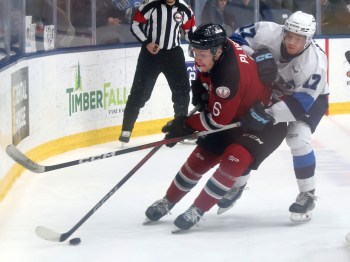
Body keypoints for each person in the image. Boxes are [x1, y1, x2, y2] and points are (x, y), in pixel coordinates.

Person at [143, 24, 287, 231]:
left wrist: (184, 126)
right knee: (199, 158)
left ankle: (198, 209)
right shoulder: (221, 49)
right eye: (195, 52)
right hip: (237, 114)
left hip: (265, 121)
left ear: (217, 51)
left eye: (201, 54)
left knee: (234, 158)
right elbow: (211, 88)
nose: (197, 58)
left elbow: (216, 121)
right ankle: (168, 201)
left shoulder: (228, 75)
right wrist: (201, 89)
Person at [220, 11, 329, 222]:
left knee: (298, 138)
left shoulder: (315, 64)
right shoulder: (267, 31)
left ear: (308, 40)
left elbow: (299, 105)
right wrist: (255, 53)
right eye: (289, 35)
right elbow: (233, 41)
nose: (291, 42)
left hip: (309, 100)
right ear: (284, 29)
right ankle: (238, 185)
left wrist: (267, 115)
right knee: (246, 135)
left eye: (298, 39)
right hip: (273, 91)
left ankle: (308, 194)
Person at [118, 0, 196, 143]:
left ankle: (179, 128)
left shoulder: (184, 8)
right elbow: (135, 25)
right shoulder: (151, 5)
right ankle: (126, 129)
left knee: (182, 92)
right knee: (140, 93)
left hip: (174, 55)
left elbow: (190, 30)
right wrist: (147, 43)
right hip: (151, 55)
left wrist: (194, 43)